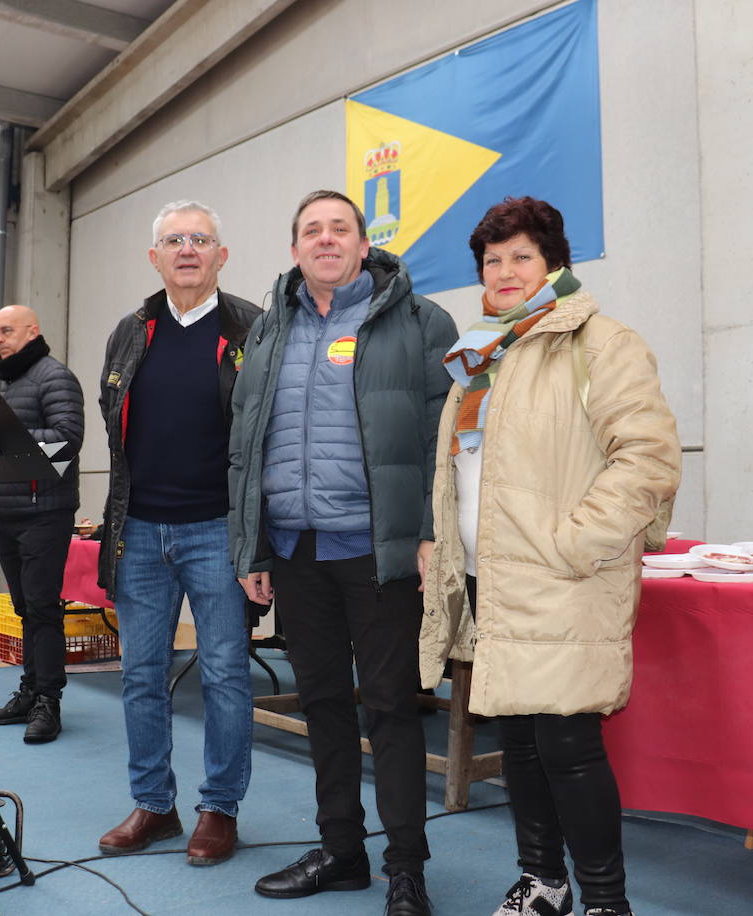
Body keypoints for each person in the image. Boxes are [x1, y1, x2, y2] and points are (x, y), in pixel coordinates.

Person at [419, 196, 680, 916]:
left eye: (520, 257)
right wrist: (445, 549)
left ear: (554, 264)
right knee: (523, 745)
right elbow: (465, 469)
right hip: (491, 579)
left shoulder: (600, 342)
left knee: (567, 745)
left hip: (563, 578)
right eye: (491, 260)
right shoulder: (482, 354)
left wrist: (578, 543)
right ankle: (543, 883)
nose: (503, 271)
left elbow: (649, 459)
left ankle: (606, 902)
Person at [228, 190, 457, 916]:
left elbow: (443, 443)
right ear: (294, 249)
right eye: (310, 231)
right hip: (296, 551)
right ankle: (342, 850)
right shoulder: (268, 330)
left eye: (340, 229)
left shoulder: (420, 323)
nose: (326, 240)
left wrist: (428, 534)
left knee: (390, 707)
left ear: (364, 244)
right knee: (323, 702)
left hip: (380, 552)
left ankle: (407, 868)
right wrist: (252, 545)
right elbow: (246, 445)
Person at [96, 200, 260, 866]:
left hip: (217, 532)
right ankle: (153, 806)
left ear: (221, 255)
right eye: (173, 240)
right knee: (140, 675)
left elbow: (271, 438)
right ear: (154, 257)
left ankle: (219, 809)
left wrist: (258, 539)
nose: (187, 249)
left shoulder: (253, 328)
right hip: (139, 531)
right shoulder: (129, 331)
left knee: (224, 675)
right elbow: (115, 427)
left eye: (201, 239)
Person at [0, 304, 84, 744]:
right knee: (23, 608)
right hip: (6, 511)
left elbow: (66, 440)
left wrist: (4, 436)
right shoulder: (10, 384)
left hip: (45, 513)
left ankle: (48, 702)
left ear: (32, 331)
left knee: (42, 609)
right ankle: (30, 690)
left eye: (6, 331)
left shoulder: (54, 377)